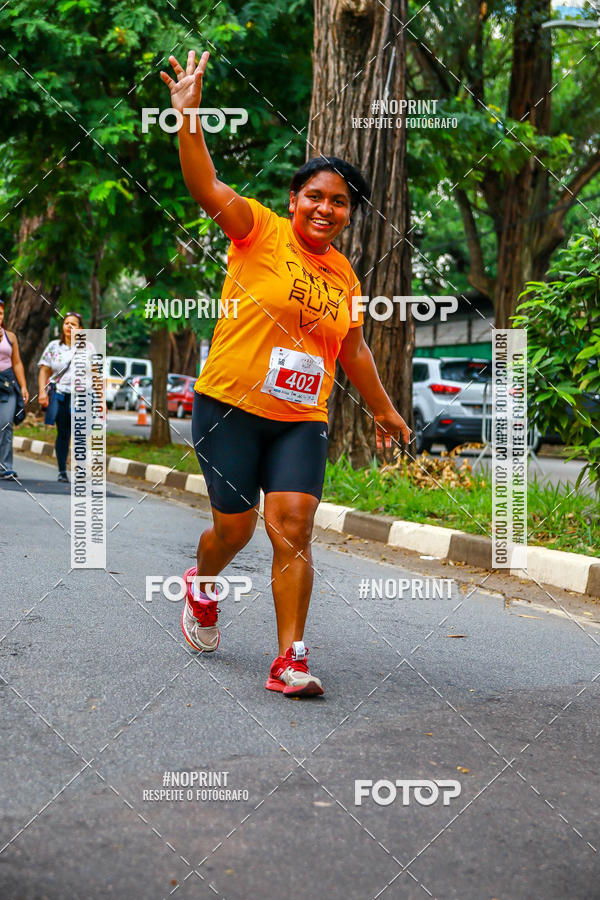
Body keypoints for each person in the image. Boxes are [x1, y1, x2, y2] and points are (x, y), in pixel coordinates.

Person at [161, 51, 411, 698]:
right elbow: (205, 186)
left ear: (350, 213)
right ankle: (203, 582)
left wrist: (383, 409)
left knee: (294, 528)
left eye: (340, 202)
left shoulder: (346, 277)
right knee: (235, 530)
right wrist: (188, 119)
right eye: (315, 197)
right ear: (294, 200)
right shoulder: (259, 233)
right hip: (230, 407)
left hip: (302, 417)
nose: (326, 209)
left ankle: (290, 658)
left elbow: (351, 349)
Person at [37, 312, 84, 483]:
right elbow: (44, 370)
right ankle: (62, 470)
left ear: (81, 328)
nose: (69, 327)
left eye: (73, 324)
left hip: (81, 396)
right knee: (63, 433)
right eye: (66, 323)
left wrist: (101, 401)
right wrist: (42, 392)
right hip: (60, 394)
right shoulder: (53, 346)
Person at [0, 298, 29, 480]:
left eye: (1, 313)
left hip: (7, 385)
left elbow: (17, 362)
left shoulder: (10, 337)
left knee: (6, 425)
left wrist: (24, 386)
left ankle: (5, 467)